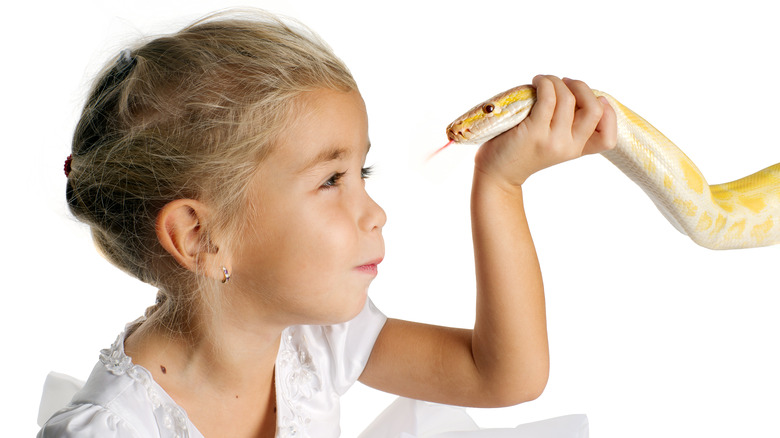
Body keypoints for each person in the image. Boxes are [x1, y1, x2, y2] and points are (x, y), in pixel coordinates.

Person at [39, 9, 616, 438]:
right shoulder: (111, 430)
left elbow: (505, 376)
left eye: (361, 170)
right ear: (201, 237)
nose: (376, 213)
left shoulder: (315, 340)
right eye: (331, 180)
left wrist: (501, 184)